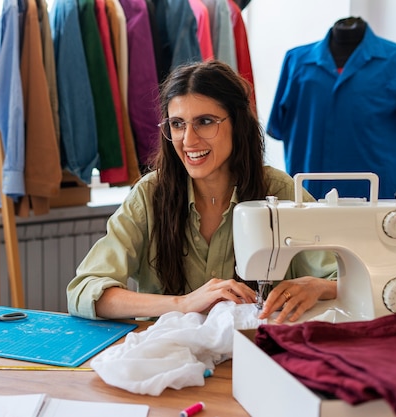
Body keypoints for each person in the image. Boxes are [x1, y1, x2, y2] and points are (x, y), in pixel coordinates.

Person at [67, 60, 337, 324]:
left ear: (238, 124)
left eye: (205, 121)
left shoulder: (281, 192)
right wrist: (182, 304)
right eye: (177, 124)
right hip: (171, 358)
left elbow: (350, 279)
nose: (188, 139)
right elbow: (84, 291)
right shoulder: (149, 196)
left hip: (255, 352)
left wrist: (317, 286)